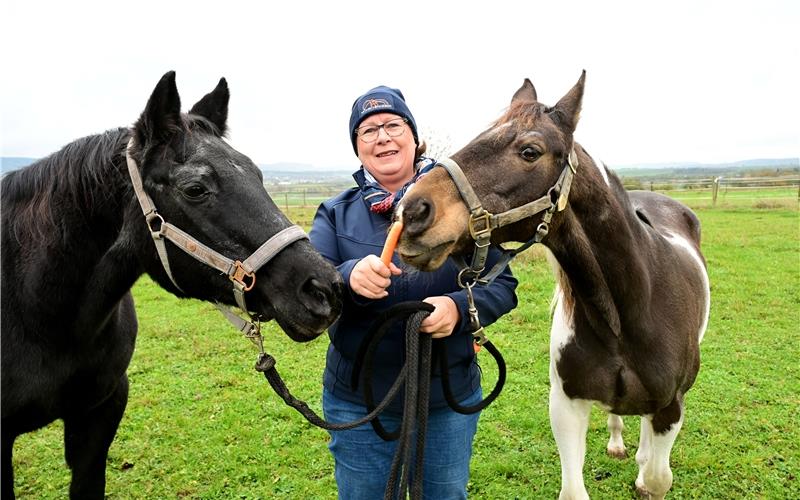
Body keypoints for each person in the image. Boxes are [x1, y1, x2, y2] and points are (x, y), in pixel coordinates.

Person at [309, 85, 518, 499]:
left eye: (392, 125)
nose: (382, 137)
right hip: (358, 400)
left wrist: (460, 308)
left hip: (445, 396)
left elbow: (502, 282)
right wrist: (349, 276)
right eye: (367, 131)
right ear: (358, 148)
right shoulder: (335, 213)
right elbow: (314, 285)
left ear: (412, 135)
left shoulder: (460, 207)